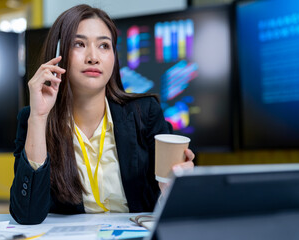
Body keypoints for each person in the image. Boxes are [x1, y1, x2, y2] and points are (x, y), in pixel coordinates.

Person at [10, 4, 195, 225]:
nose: (93, 57)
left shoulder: (145, 113)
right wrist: (39, 117)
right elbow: (27, 215)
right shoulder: (33, 119)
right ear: (58, 54)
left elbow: (176, 206)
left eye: (104, 46)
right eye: (79, 44)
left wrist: (178, 185)